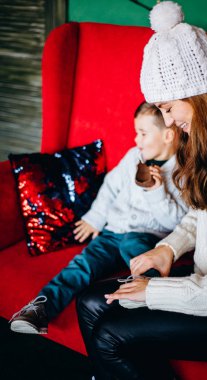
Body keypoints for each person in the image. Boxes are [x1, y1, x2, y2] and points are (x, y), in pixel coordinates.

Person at [76, 2, 207, 380]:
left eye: (168, 108)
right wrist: (168, 248)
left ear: (200, 95)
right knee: (90, 301)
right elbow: (202, 210)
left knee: (110, 335)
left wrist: (154, 293)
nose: (168, 121)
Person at [9, 101, 188, 335]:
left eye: (143, 134)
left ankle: (154, 301)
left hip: (148, 237)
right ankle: (41, 308)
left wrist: (156, 192)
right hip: (112, 232)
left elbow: (176, 223)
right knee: (82, 265)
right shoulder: (135, 156)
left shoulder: (183, 171)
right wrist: (95, 217)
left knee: (138, 250)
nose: (136, 140)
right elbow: (110, 187)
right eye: (136, 133)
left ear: (168, 135)